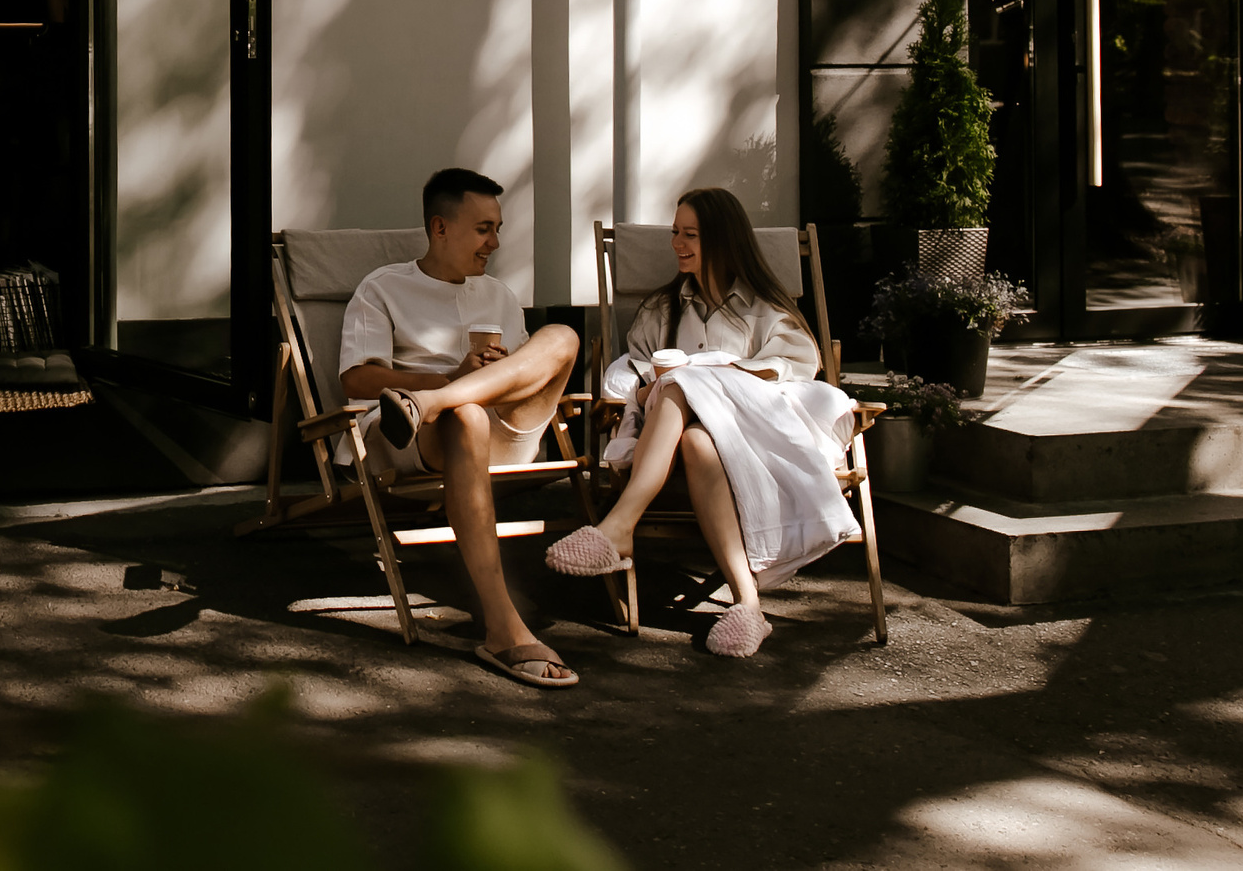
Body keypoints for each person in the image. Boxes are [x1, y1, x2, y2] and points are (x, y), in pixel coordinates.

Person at [544, 186, 860, 659]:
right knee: (693, 435)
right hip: (680, 442)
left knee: (684, 383)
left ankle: (618, 527)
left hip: (751, 437)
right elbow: (630, 371)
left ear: (723, 239)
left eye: (690, 234)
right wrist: (646, 389)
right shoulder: (661, 311)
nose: (677, 244)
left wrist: (706, 375)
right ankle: (748, 604)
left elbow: (797, 369)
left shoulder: (765, 311)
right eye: (675, 232)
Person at [340, 168, 583, 689]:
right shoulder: (383, 288)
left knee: (562, 334)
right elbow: (357, 378)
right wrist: (448, 377)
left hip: (500, 425)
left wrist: (485, 378)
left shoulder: (498, 294)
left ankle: (433, 402)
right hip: (416, 440)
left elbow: (528, 371)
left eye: (497, 228)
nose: (495, 242)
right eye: (483, 229)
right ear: (440, 228)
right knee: (465, 415)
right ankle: (502, 627)